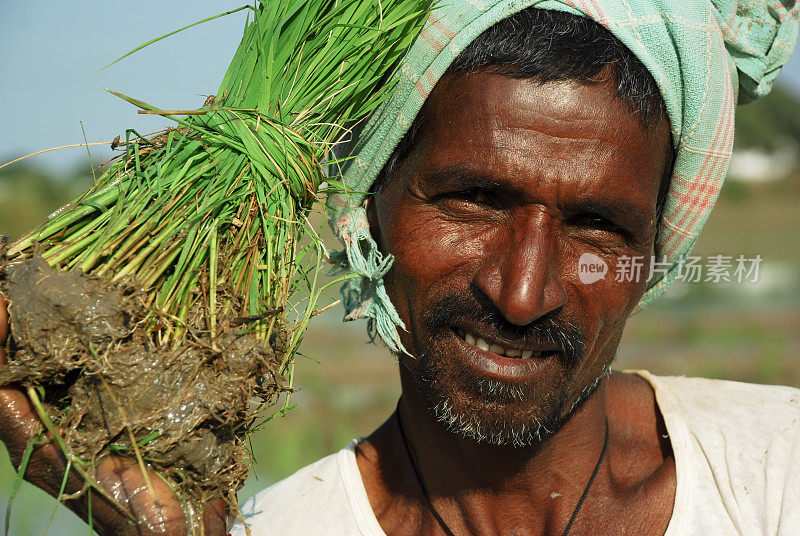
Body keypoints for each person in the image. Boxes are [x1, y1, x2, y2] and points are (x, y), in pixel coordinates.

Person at [1, 1, 799, 535]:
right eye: (474, 200)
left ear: (656, 256)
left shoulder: (775, 474)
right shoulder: (277, 529)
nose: (522, 295)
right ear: (368, 204)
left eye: (597, 228)